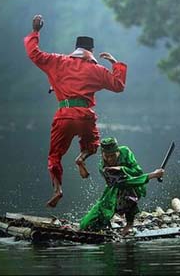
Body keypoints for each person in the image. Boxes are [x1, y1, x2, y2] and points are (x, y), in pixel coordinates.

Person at [24, 14, 127, 208]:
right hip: (85, 116)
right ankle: (81, 158)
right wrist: (114, 63)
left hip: (64, 115)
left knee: (55, 156)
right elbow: (119, 85)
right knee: (93, 145)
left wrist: (36, 31)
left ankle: (57, 189)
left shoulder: (58, 62)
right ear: (91, 51)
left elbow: (34, 54)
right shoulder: (97, 70)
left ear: (76, 49)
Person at [79, 137, 164, 236]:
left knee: (128, 193)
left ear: (117, 152)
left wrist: (122, 169)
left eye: (112, 156)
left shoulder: (125, 152)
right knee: (85, 225)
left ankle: (129, 224)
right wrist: (153, 175)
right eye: (107, 156)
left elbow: (138, 172)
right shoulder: (103, 167)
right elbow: (120, 183)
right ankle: (104, 224)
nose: (110, 159)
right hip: (112, 192)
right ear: (102, 154)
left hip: (134, 187)